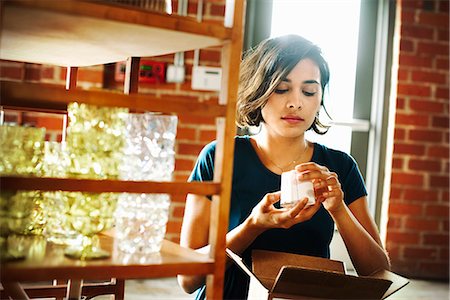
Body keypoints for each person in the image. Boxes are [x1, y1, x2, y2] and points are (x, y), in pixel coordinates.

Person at [177, 34, 390, 299]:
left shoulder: (340, 167)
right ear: (258, 91)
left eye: (309, 91)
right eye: (281, 88)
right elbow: (187, 279)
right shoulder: (219, 156)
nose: (296, 102)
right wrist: (253, 225)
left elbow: (380, 275)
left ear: (320, 98)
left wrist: (339, 209)